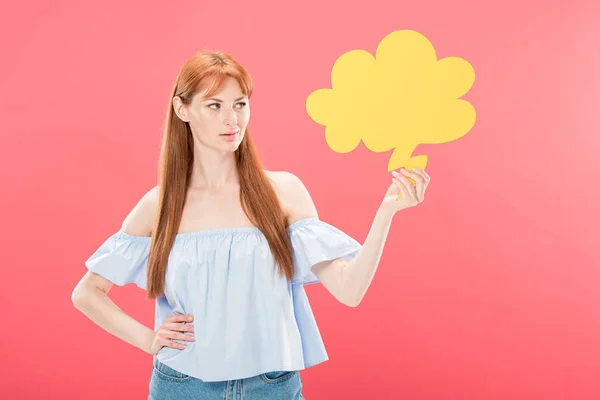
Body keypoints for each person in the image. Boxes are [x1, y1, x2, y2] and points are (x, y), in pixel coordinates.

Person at [71, 50, 430, 399]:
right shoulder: (160, 204)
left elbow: (349, 291)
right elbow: (86, 293)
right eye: (215, 106)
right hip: (183, 385)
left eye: (240, 104)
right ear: (183, 109)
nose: (233, 119)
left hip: (272, 386)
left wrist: (386, 213)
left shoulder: (283, 191)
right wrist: (147, 339)